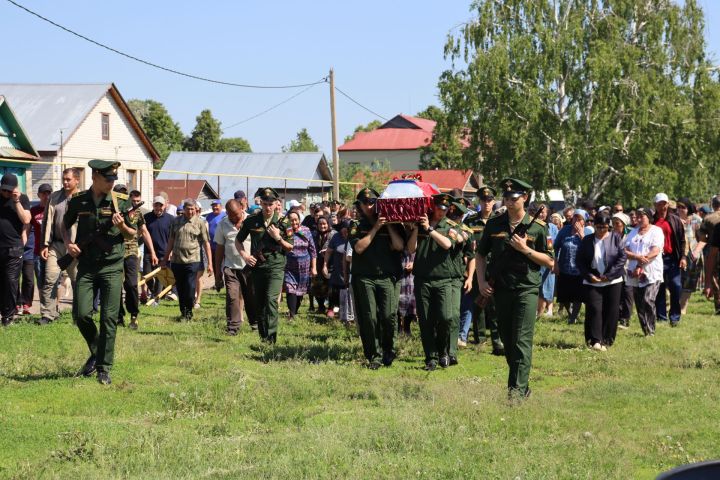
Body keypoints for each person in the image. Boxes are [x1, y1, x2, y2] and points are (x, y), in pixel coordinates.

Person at [476, 178, 554, 400]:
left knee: (521, 340)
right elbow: (480, 255)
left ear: (525, 198)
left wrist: (524, 249)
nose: (509, 202)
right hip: (500, 290)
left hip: (526, 290)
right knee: (508, 340)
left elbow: (549, 261)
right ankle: (522, 383)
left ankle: (516, 393)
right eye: (506, 198)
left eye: (514, 198)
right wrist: (481, 282)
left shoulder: (538, 228)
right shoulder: (494, 224)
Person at [63, 160, 137, 385]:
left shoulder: (120, 201)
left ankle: (104, 368)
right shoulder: (79, 200)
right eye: (108, 179)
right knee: (81, 314)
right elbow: (64, 225)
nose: (112, 183)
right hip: (86, 265)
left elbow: (132, 234)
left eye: (114, 179)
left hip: (112, 267)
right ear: (95, 177)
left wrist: (122, 225)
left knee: (108, 318)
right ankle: (96, 350)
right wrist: (69, 244)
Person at [349, 187, 404, 369]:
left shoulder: (393, 222)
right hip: (364, 277)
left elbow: (399, 246)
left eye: (373, 202)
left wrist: (387, 224)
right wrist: (376, 227)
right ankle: (374, 355)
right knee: (369, 318)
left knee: (389, 316)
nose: (369, 206)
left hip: (387, 277)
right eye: (365, 203)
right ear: (360, 206)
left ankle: (389, 349)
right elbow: (359, 248)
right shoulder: (355, 225)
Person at [407, 193, 458, 371]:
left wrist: (430, 229)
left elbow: (447, 244)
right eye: (438, 208)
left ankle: (443, 350)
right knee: (426, 320)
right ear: (433, 206)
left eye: (445, 209)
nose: (441, 211)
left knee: (446, 318)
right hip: (423, 279)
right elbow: (411, 248)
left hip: (443, 279)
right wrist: (415, 228)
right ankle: (431, 357)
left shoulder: (450, 226)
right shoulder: (420, 225)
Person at [236, 187, 293, 343]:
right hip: (257, 268)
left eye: (271, 204)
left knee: (271, 300)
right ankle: (263, 337)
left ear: (276, 204)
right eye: (265, 203)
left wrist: (278, 238)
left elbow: (289, 247)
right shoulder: (251, 221)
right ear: (260, 203)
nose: (268, 207)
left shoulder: (283, 222)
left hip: (276, 266)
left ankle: (272, 338)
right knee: (259, 302)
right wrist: (245, 256)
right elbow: (238, 240)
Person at [576, 213, 627, 350]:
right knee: (594, 309)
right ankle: (594, 340)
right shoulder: (587, 240)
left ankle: (606, 340)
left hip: (613, 281)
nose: (601, 230)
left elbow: (622, 258)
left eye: (604, 227)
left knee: (611, 310)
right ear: (594, 226)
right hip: (592, 280)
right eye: (598, 227)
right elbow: (579, 261)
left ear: (609, 227)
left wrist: (609, 275)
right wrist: (588, 275)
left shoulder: (616, 238)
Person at [464, 186, 504, 353]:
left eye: (489, 200)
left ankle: (498, 341)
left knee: (495, 306)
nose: (486, 203)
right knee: (479, 304)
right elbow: (464, 243)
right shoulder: (471, 221)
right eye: (483, 200)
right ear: (479, 202)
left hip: (495, 268)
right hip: (477, 267)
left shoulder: (499, 220)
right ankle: (480, 338)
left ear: (493, 202)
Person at [39, 167, 80, 324]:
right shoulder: (55, 197)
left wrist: (81, 247)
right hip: (55, 246)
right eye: (64, 179)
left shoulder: (83, 198)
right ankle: (48, 315)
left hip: (75, 249)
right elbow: (46, 221)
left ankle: (78, 316)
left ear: (77, 180)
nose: (65, 182)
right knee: (49, 279)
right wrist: (44, 244)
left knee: (78, 283)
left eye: (68, 179)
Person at [161, 198, 213, 321]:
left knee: (190, 288)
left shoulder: (200, 223)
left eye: (192, 209)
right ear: (183, 209)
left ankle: (188, 312)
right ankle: (183, 312)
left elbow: (206, 244)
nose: (190, 211)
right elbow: (171, 240)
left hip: (193, 260)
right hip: (177, 260)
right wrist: (165, 258)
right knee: (180, 287)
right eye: (187, 209)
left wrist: (210, 263)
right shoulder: (176, 221)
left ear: (196, 209)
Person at [214, 199, 257, 335]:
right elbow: (219, 250)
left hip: (250, 267)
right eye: (231, 215)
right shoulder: (222, 224)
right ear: (227, 213)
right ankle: (233, 327)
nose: (234, 218)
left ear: (242, 208)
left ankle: (255, 324)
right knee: (232, 297)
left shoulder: (252, 221)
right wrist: (217, 273)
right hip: (230, 267)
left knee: (251, 296)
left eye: (236, 214)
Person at [118, 189, 157, 330]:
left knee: (131, 285)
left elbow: (144, 232)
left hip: (131, 252)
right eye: (133, 201)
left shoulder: (139, 213)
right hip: (115, 252)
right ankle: (118, 316)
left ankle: (134, 315)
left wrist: (152, 252)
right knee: (115, 286)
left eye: (137, 201)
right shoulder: (117, 211)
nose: (135, 203)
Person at [624, 208, 664, 337]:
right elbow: (625, 250)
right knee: (640, 302)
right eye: (638, 216)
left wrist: (641, 263)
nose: (639, 219)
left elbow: (655, 251)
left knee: (648, 299)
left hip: (651, 272)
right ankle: (645, 330)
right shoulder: (633, 232)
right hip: (634, 273)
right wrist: (636, 257)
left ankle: (651, 331)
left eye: (642, 216)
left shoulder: (656, 231)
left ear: (649, 217)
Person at [0, 173, 31, 326]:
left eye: (9, 190)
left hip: (14, 248)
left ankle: (8, 315)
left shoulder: (22, 199)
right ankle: (3, 311)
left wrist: (16, 200)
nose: (6, 193)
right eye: (3, 190)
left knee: (11, 281)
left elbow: (26, 219)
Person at [652, 193, 686, 326]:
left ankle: (675, 316)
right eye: (659, 204)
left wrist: (683, 257)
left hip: (672, 258)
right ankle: (661, 317)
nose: (662, 207)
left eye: (664, 204)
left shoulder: (674, 219)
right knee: (659, 288)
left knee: (676, 286)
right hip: (656, 259)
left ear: (668, 204)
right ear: (655, 205)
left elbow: (682, 240)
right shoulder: (652, 220)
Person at [554, 209, 593, 323]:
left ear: (584, 221)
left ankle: (573, 317)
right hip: (564, 268)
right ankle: (570, 313)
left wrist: (581, 235)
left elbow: (590, 249)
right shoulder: (564, 230)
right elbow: (556, 247)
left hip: (580, 270)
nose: (576, 220)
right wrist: (555, 263)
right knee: (564, 295)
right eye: (575, 217)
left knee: (577, 296)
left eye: (579, 218)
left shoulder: (588, 232)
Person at [283, 210, 317, 320]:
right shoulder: (284, 232)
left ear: (299, 220)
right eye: (291, 220)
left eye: (295, 220)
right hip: (289, 265)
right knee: (290, 287)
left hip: (304, 265)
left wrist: (314, 267)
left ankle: (295, 310)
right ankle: (291, 314)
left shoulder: (306, 231)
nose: (293, 222)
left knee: (300, 290)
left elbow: (312, 250)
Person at [143, 196, 175, 301]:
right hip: (149, 252)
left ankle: (156, 299)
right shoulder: (146, 217)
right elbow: (142, 233)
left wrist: (171, 251)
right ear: (153, 205)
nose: (158, 208)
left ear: (164, 206)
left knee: (160, 277)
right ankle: (155, 293)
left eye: (160, 205)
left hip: (164, 253)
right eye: (156, 205)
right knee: (147, 276)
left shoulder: (170, 219)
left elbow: (174, 236)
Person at [676, 198, 702, 314]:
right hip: (678, 254)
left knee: (689, 281)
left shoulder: (696, 220)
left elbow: (704, 238)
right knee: (677, 280)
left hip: (693, 254)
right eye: (678, 207)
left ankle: (683, 307)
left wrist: (697, 251)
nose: (680, 209)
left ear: (688, 208)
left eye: (683, 207)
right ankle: (674, 304)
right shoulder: (674, 219)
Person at [30, 184, 52, 322]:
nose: (46, 196)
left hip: (53, 251)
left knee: (53, 281)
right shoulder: (34, 210)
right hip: (37, 252)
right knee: (41, 282)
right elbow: (27, 227)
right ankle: (45, 311)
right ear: (38, 195)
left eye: (48, 193)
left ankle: (54, 308)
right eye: (43, 193)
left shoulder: (53, 209)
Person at [323, 220, 351, 319]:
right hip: (337, 268)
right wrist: (325, 265)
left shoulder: (353, 236)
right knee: (334, 289)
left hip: (350, 268)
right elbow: (328, 252)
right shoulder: (336, 237)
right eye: (344, 230)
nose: (345, 232)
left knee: (347, 291)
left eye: (348, 230)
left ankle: (345, 312)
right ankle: (331, 308)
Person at [534, 203, 558, 317]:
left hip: (549, 259)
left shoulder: (552, 227)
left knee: (549, 284)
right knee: (538, 284)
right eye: (539, 211)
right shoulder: (533, 225)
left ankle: (549, 309)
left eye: (543, 212)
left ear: (547, 213)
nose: (541, 214)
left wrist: (555, 261)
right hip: (537, 259)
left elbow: (555, 245)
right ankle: (539, 310)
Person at [612, 212, 634, 329]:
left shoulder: (630, 235)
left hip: (628, 268)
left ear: (624, 224)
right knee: (618, 293)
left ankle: (626, 318)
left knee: (627, 294)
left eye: (617, 224)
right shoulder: (611, 236)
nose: (615, 226)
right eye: (613, 224)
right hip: (616, 269)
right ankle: (618, 317)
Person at [310, 216, 332, 315]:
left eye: (324, 224)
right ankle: (321, 306)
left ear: (328, 224)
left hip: (330, 263)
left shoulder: (333, 234)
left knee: (330, 285)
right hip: (317, 262)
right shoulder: (313, 234)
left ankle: (331, 307)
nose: (322, 226)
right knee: (318, 286)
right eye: (320, 224)